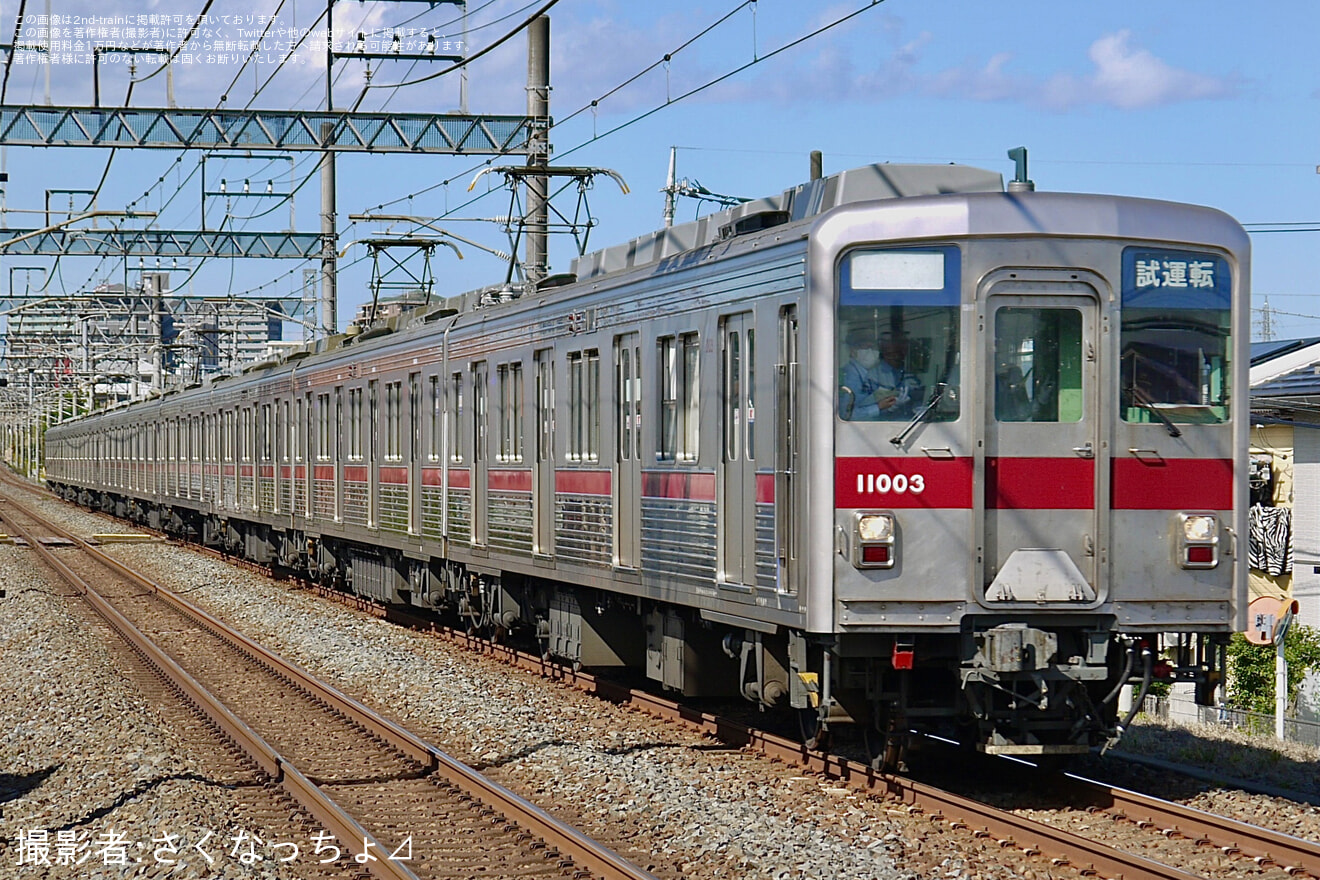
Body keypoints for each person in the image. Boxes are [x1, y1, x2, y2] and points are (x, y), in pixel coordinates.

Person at [840, 329, 922, 420]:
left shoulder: (869, 372)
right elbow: (847, 415)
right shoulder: (850, 375)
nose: (870, 351)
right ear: (853, 350)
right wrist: (878, 407)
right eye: (865, 347)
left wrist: (890, 406)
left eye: (873, 347)